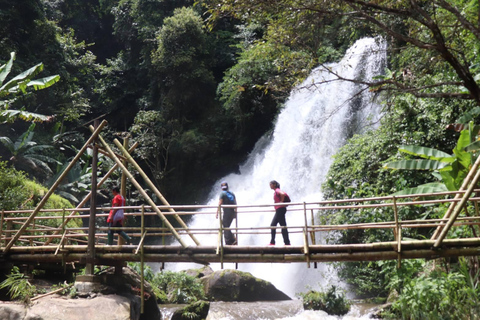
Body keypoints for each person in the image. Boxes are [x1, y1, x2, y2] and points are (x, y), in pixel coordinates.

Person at [269, 180, 290, 245]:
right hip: (281, 209)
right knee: (283, 226)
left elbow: (282, 194)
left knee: (273, 225)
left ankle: (273, 242)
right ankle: (287, 242)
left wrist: (281, 202)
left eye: (271, 184)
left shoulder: (277, 190)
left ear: (274, 184)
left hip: (280, 210)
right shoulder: (276, 191)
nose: (270, 186)